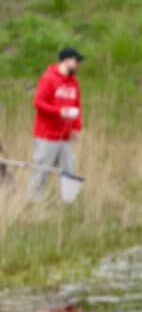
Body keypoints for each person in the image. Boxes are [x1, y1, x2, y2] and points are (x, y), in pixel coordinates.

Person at [30, 46, 84, 199]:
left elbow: (77, 105)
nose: (78, 64)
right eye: (76, 61)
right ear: (66, 60)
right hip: (47, 136)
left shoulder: (73, 82)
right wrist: (59, 111)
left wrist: (76, 127)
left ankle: (67, 201)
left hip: (64, 137)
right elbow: (38, 103)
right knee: (42, 171)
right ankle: (33, 201)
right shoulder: (49, 78)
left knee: (69, 170)